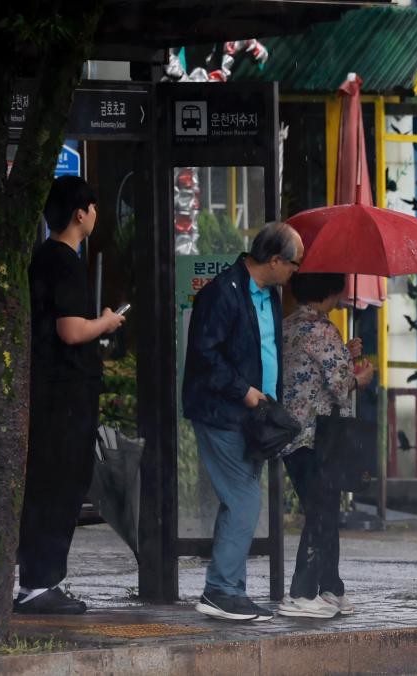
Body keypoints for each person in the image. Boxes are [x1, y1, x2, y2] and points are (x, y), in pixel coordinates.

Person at [182, 221, 303, 621]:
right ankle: (220, 590)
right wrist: (245, 391)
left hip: (253, 417)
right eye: (294, 263)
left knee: (240, 500)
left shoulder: (268, 295)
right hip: (223, 413)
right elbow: (205, 356)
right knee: (245, 500)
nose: (295, 272)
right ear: (274, 260)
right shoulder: (223, 293)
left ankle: (228, 588)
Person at [16, 176, 126, 614]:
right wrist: (107, 322)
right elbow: (71, 329)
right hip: (64, 396)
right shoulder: (64, 261)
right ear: (80, 212)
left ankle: (37, 581)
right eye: (94, 208)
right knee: (61, 485)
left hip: (50, 391)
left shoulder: (43, 258)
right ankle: (41, 583)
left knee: (50, 484)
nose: (96, 215)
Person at [278, 273, 375, 618]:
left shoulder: (288, 326)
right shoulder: (323, 330)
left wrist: (343, 353)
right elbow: (339, 384)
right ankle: (302, 593)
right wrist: (361, 376)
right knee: (321, 512)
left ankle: (331, 587)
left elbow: (309, 367)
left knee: (324, 510)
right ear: (330, 292)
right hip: (317, 436)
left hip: (291, 435)